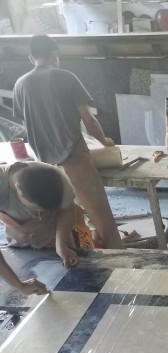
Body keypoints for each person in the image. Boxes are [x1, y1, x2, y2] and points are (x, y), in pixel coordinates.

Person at [13, 34, 122, 250]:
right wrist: (105, 141)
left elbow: (28, 126)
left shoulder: (20, 84)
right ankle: (119, 260)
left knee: (70, 217)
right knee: (102, 217)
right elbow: (89, 119)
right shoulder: (65, 77)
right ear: (55, 54)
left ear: (31, 58)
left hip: (44, 166)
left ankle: (84, 253)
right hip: (74, 158)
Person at [0, 161, 81, 295]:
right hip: (19, 235)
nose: (38, 215)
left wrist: (61, 245)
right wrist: (20, 285)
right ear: (18, 189)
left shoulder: (56, 179)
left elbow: (67, 210)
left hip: (54, 230)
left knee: (74, 284)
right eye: (35, 209)